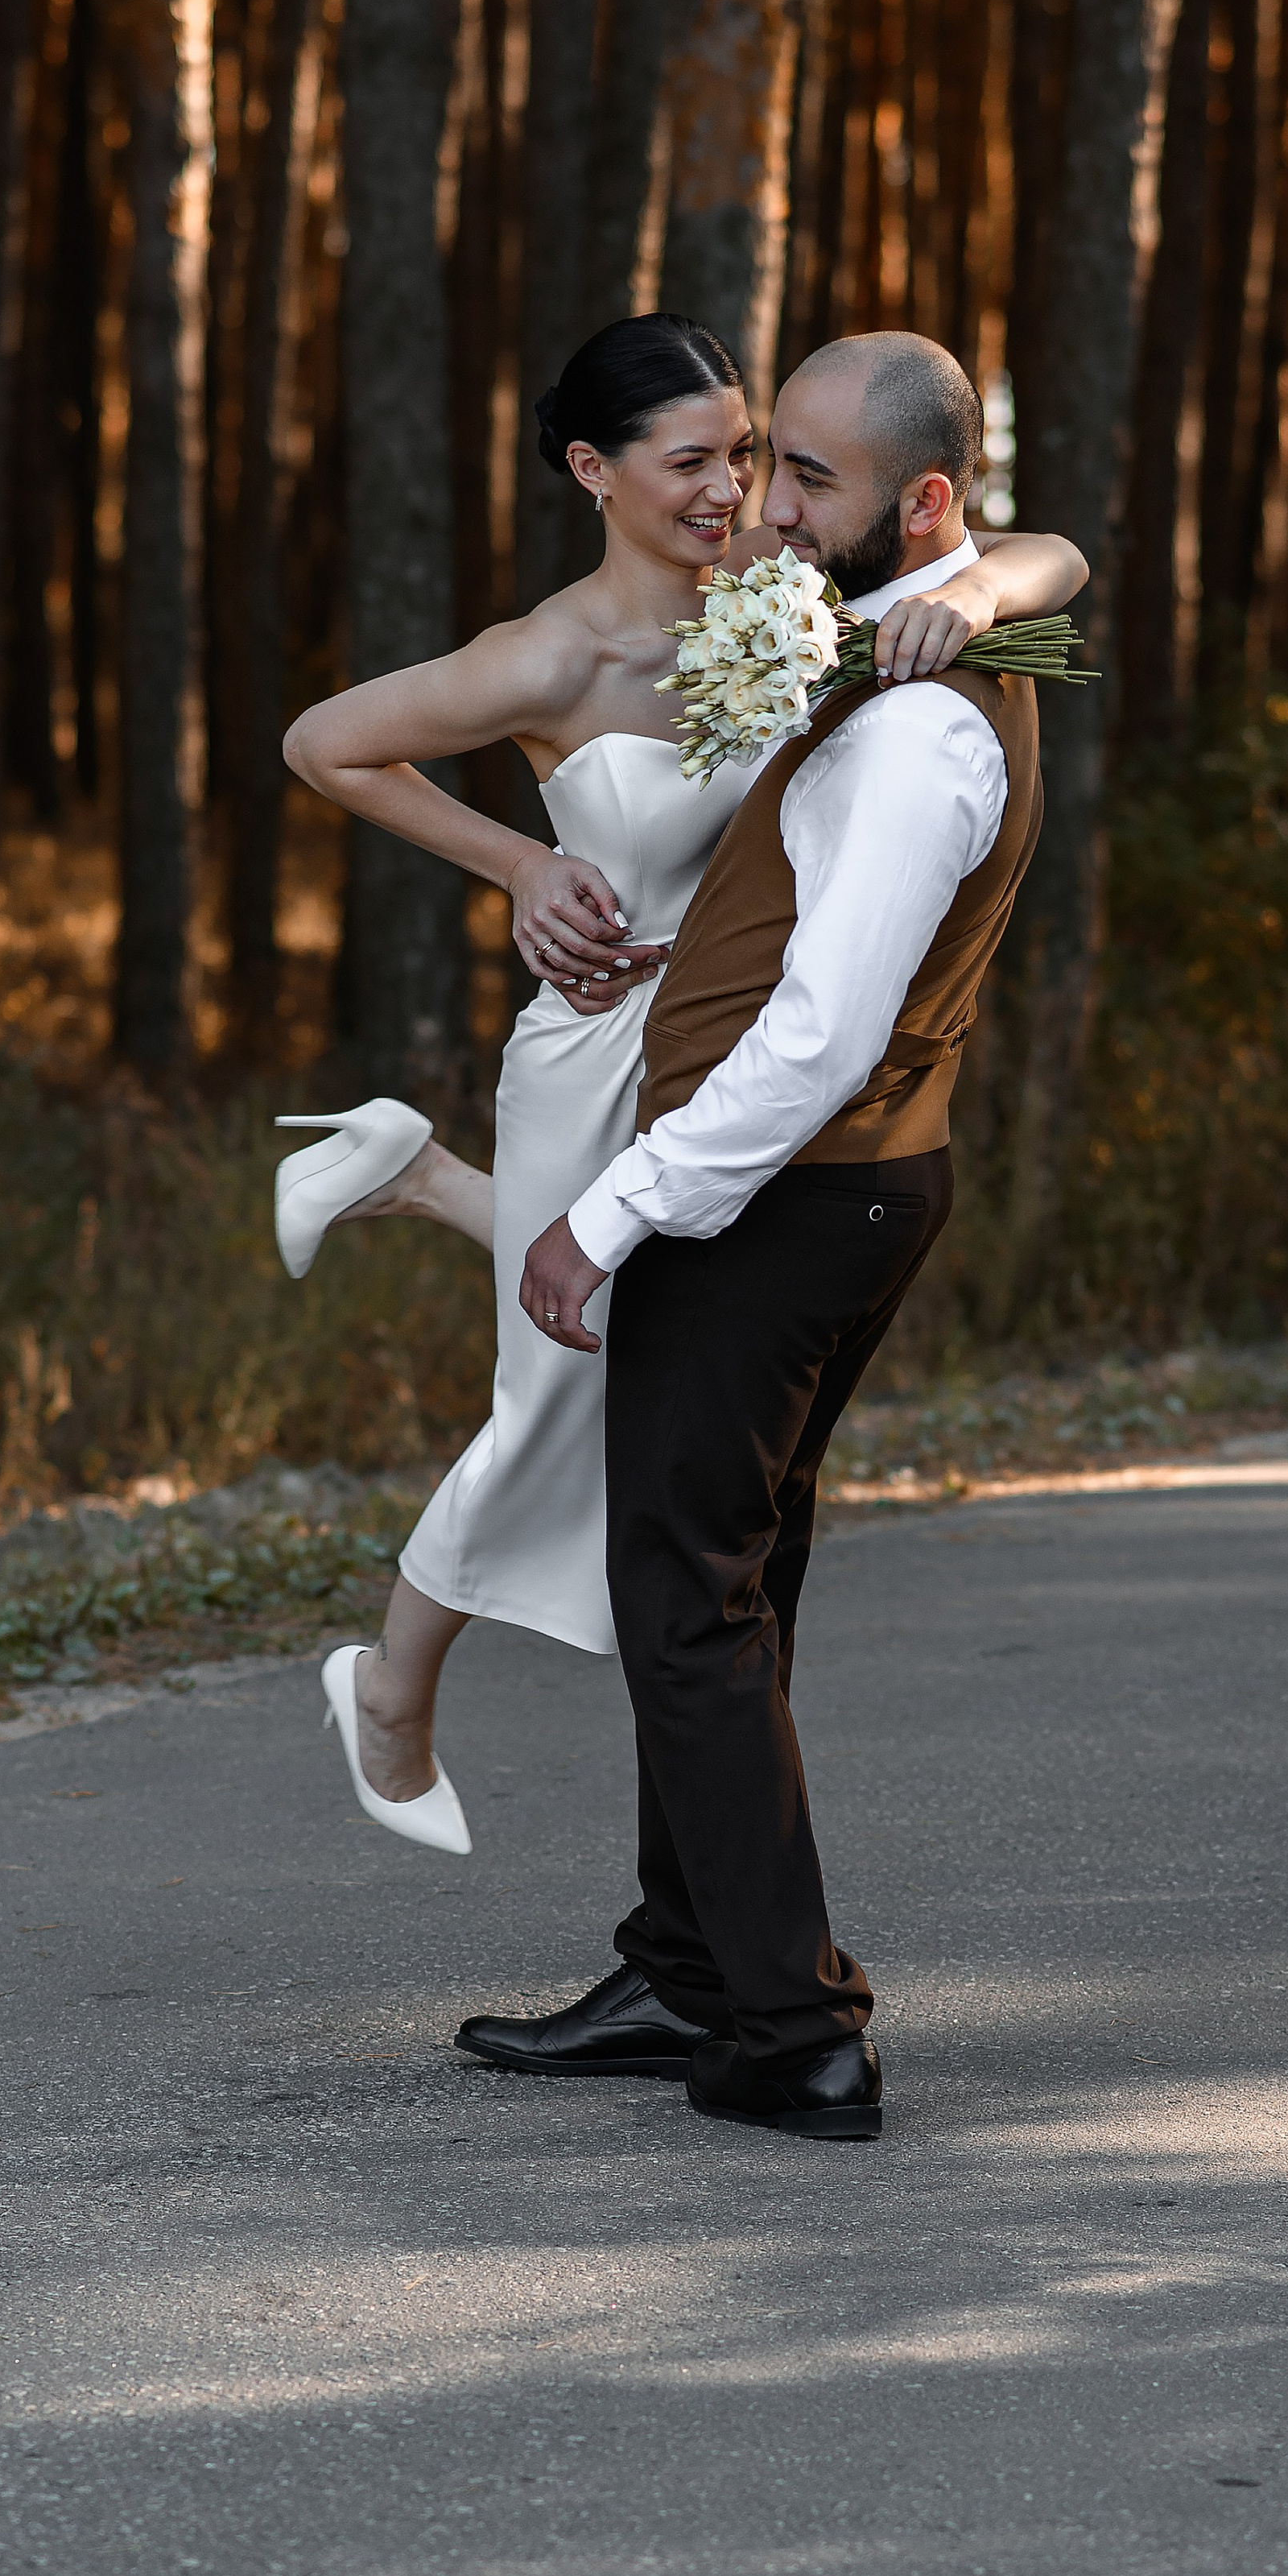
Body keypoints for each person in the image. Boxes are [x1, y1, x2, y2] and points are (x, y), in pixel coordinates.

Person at [278, 316, 1084, 1856]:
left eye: (752, 454)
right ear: (595, 471)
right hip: (604, 1041)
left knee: (640, 1346)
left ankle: (416, 1176)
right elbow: (326, 744)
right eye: (693, 461)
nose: (735, 490)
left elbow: (1053, 556)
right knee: (559, 1403)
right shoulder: (553, 655)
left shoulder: (787, 583)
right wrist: (521, 866)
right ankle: (390, 1688)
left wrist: (975, 590)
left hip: (748, 1051)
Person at [457, 332, 1046, 2141]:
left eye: (807, 478)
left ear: (920, 504)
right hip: (814, 1191)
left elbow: (819, 1038)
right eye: (765, 460)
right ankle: (689, 1965)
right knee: (730, 1579)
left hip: (783, 1199)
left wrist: (611, 1209)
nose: (766, 508)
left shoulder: (921, 729)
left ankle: (793, 2032)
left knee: (685, 1600)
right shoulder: (891, 632)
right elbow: (1040, 557)